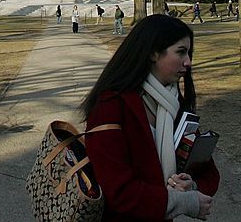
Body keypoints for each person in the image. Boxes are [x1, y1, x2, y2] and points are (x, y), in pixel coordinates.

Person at [82, 14, 215, 221]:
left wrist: (191, 185)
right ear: (153, 53)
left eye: (189, 53)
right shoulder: (110, 106)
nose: (188, 62)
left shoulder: (173, 102)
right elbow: (118, 192)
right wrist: (180, 202)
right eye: (180, 52)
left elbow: (208, 171)